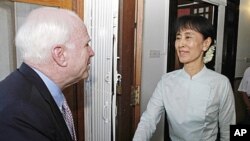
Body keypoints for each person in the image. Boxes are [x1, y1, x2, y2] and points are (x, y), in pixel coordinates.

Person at [133, 15, 235, 141]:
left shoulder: (221, 83)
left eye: (188, 37)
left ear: (205, 43)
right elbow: (148, 121)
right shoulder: (166, 81)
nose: (181, 44)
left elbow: (228, 129)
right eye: (178, 37)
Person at [0, 7, 94, 141]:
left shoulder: (36, 90)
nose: (92, 52)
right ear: (60, 55)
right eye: (86, 45)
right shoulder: (18, 114)